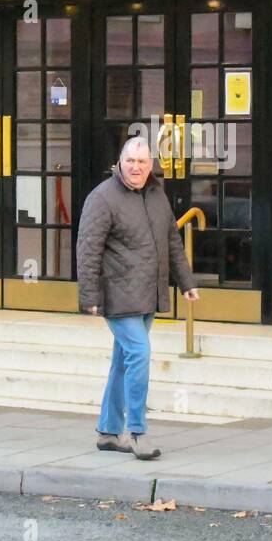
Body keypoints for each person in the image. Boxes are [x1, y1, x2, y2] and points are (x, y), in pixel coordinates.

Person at [76, 136, 199, 460]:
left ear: (150, 166)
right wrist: (89, 295)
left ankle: (108, 431)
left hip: (147, 293)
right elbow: (88, 249)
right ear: (120, 163)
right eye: (130, 161)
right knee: (140, 355)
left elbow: (172, 241)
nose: (136, 167)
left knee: (123, 361)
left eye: (142, 162)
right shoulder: (102, 198)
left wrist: (186, 282)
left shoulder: (157, 196)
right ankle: (138, 433)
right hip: (117, 295)